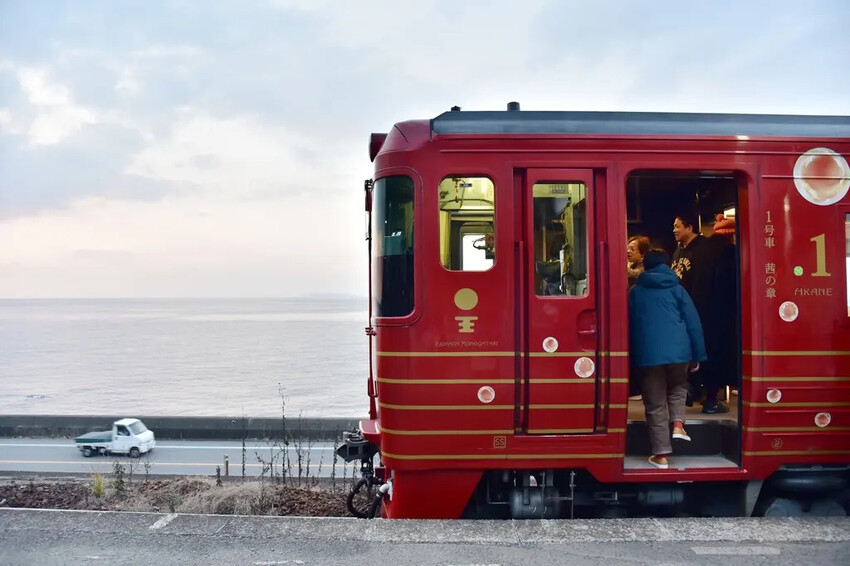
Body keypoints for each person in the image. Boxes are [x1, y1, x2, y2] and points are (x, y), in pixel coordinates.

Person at [629, 249, 707, 469]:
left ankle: (661, 455)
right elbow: (693, 323)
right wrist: (697, 354)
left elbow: (629, 324)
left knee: (655, 403)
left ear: (645, 267)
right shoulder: (677, 289)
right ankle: (679, 425)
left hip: (649, 354)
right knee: (678, 387)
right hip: (680, 351)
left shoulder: (636, 292)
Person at [670, 211, 729, 413]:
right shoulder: (678, 251)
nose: (674, 230)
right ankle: (690, 392)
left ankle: (711, 399)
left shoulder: (705, 249)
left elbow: (703, 285)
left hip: (703, 314)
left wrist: (695, 314)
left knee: (709, 354)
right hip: (681, 315)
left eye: (678, 226)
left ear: (689, 227)